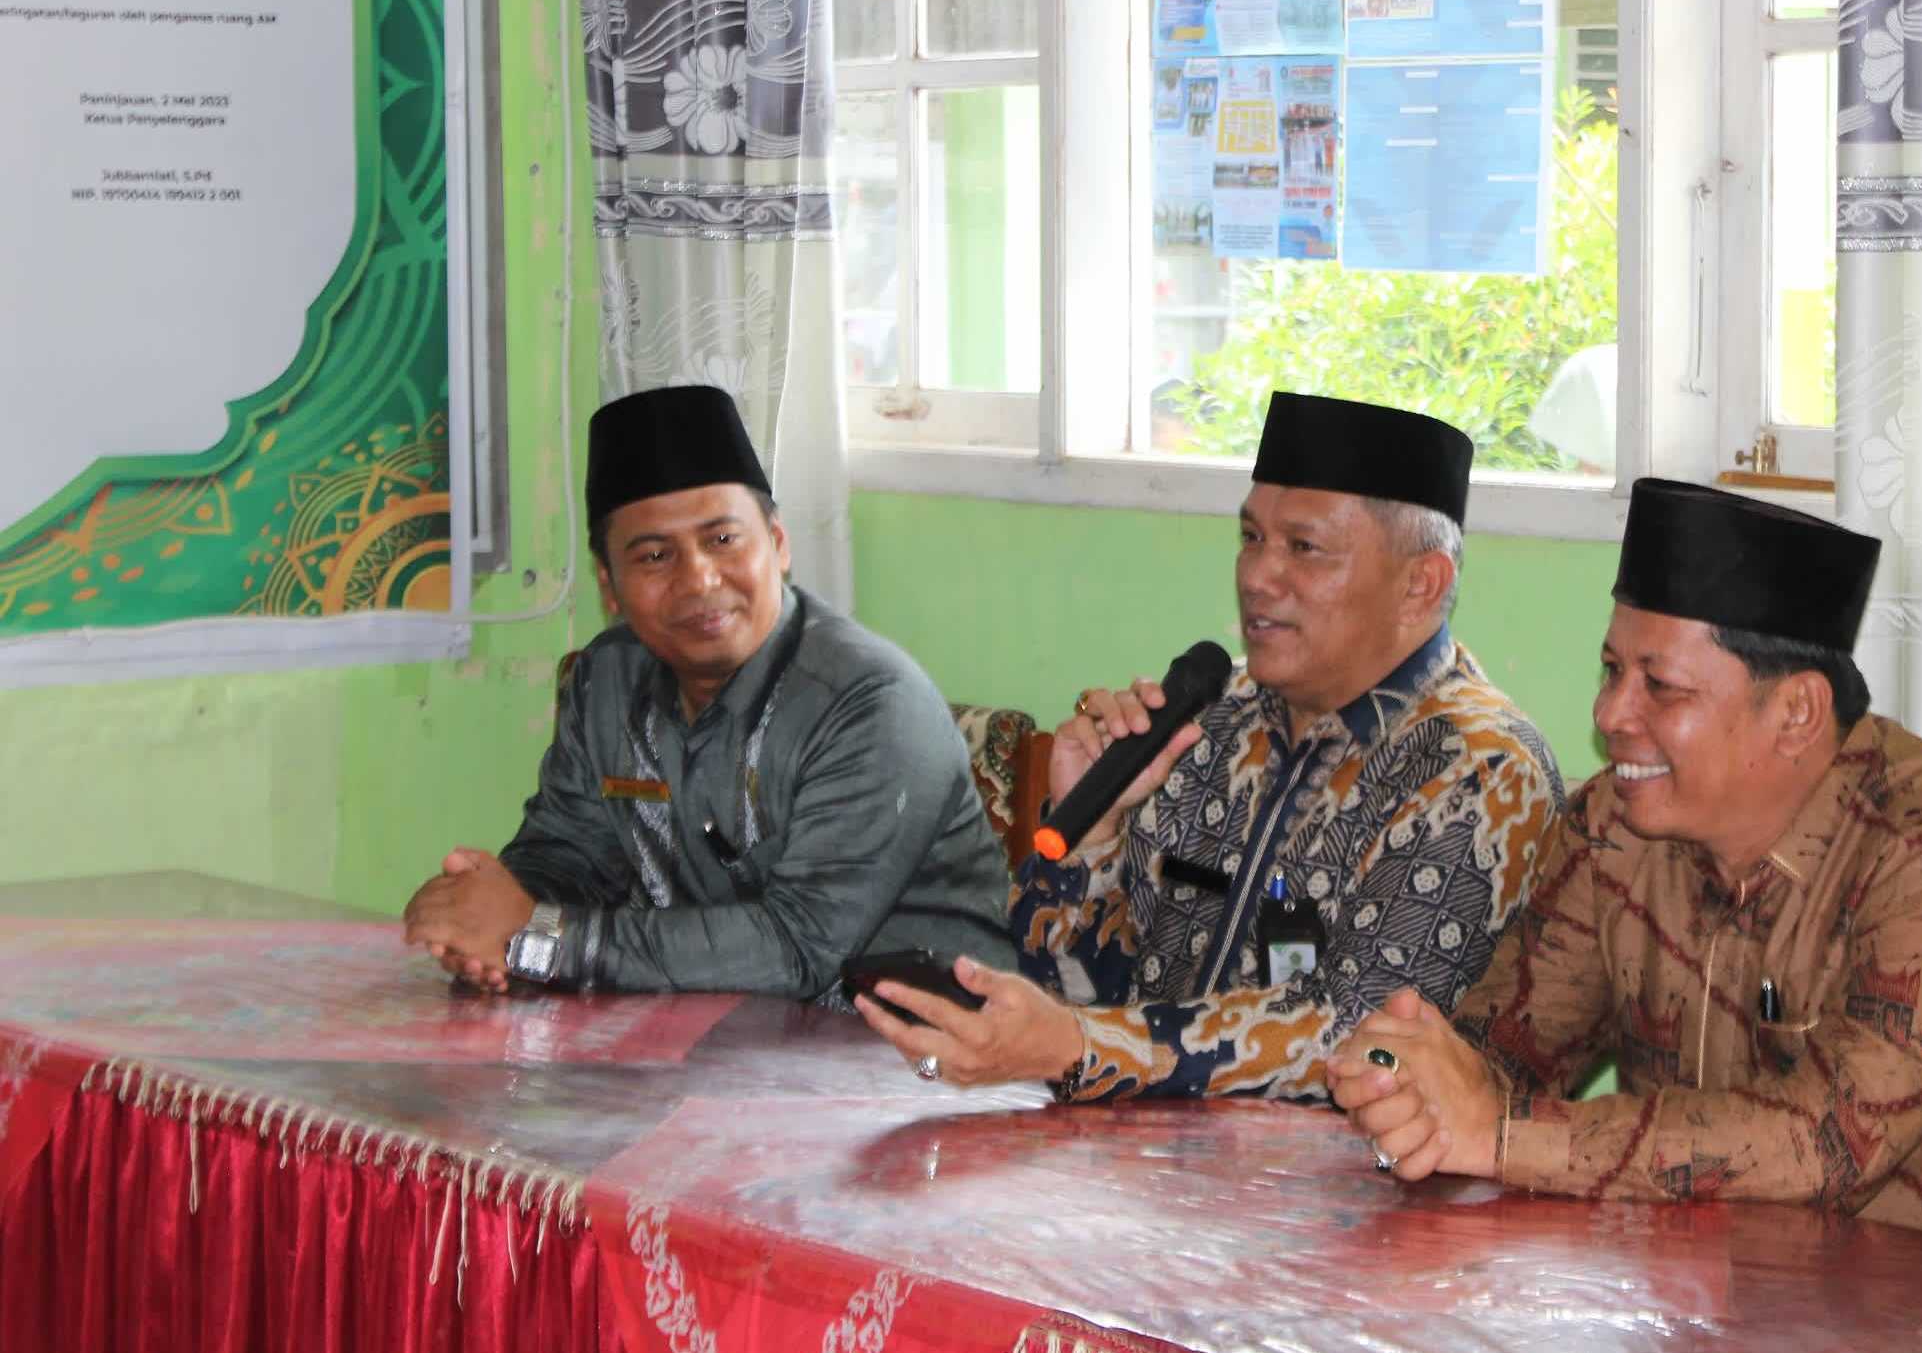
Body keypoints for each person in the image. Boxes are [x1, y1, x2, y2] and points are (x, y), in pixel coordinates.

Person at [1327, 478, 1922, 1260]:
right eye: (1612, 671)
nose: (1608, 714)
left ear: (1796, 713)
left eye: (1660, 687)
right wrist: (1413, 1085)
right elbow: (1507, 1051)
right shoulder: (1616, 828)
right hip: (1719, 1303)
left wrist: (1501, 1135)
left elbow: (1825, 1144)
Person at [854, 393, 1564, 1101]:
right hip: (1124, 1145)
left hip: (1340, 1168)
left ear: (1420, 585)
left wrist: (1084, 1047)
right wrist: (1091, 839)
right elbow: (1075, 995)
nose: (1256, 576)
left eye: (1303, 548)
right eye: (1251, 538)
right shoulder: (1211, 717)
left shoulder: (1480, 769)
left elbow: (1359, 1036)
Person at [401, 385, 1010, 999]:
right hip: (710, 1032)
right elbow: (570, 854)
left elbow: (797, 947)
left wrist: (541, 939)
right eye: (654, 556)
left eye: (722, 540)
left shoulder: (872, 703)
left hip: (907, 1044)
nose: (698, 579)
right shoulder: (607, 681)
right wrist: (483, 912)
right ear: (609, 586)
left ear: (777, 544)